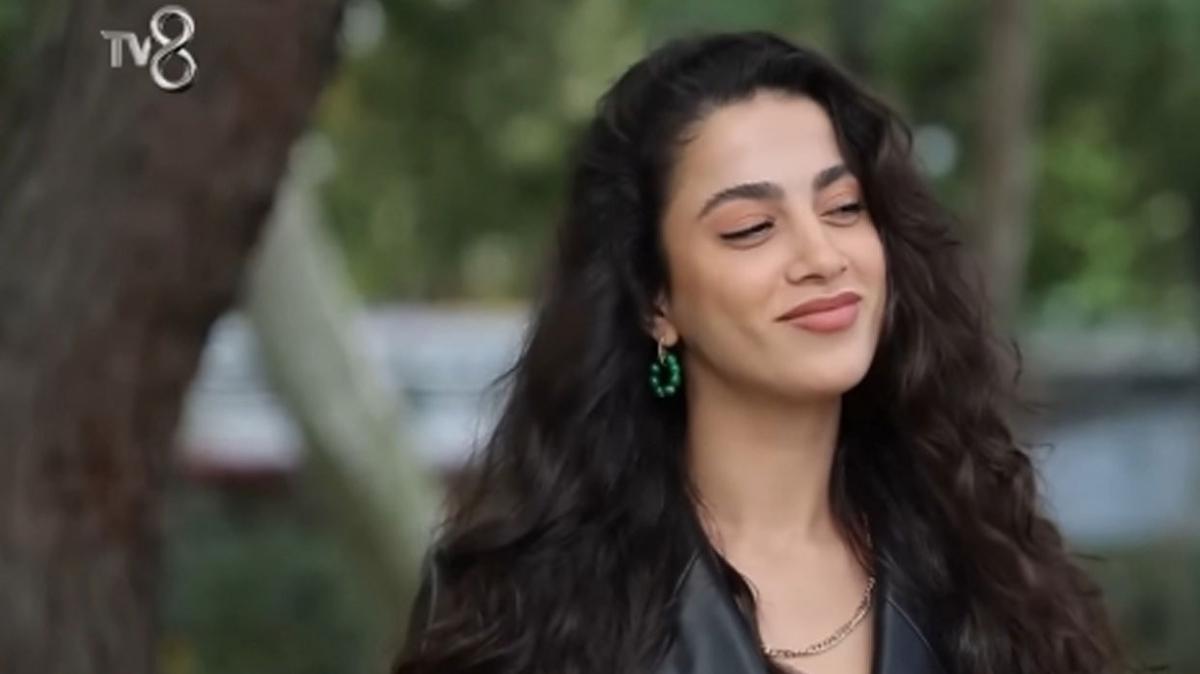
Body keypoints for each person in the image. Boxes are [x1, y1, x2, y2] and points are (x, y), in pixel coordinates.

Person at [391, 30, 1127, 674]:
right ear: (656, 302)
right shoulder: (520, 606)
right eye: (751, 228)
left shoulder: (988, 566)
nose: (822, 256)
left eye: (844, 208)